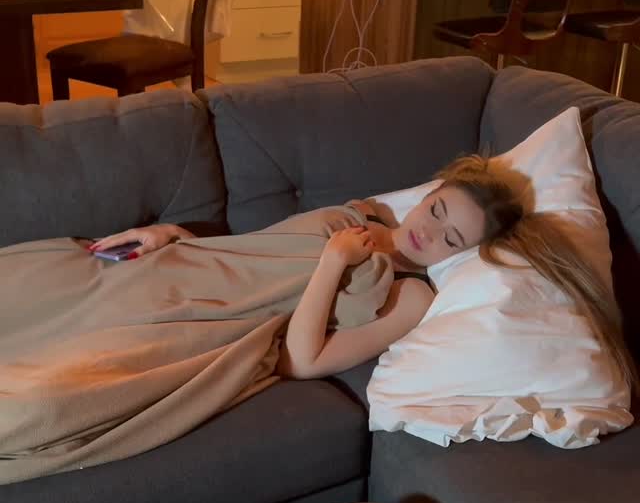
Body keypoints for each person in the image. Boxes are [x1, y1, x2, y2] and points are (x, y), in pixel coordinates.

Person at [90, 154, 635, 389]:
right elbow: (257, 252)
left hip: (208, 324)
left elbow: (303, 362)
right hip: (188, 269)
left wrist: (334, 264)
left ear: (465, 252)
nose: (429, 233)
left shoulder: (412, 298)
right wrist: (176, 235)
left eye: (452, 239)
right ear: (432, 192)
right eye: (436, 210)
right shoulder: (363, 212)